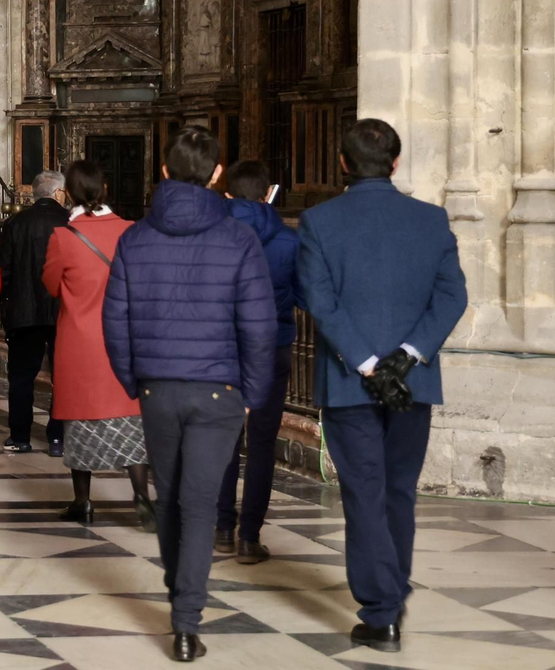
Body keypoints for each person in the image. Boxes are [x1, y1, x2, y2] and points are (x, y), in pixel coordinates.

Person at [102, 125, 276, 663]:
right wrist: (252, 389)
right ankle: (185, 622)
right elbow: (260, 325)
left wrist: (135, 379)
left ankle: (181, 605)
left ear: (163, 170)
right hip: (221, 390)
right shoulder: (240, 238)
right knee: (199, 503)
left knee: (171, 498)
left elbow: (115, 320)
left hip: (158, 388)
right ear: (217, 174)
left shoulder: (135, 237)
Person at [298, 119, 468, 655]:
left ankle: (382, 612)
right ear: (395, 163)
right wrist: (406, 356)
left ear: (342, 163)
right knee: (399, 491)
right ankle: (391, 596)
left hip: (350, 382)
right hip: (411, 382)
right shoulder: (432, 220)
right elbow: (452, 298)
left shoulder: (319, 221)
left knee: (364, 494)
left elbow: (318, 300)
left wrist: (368, 360)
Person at [42, 161, 154, 530]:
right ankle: (141, 497)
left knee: (80, 421)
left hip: (79, 343)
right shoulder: (130, 231)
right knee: (130, 417)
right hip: (124, 336)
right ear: (105, 188)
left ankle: (82, 501)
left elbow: (51, 285)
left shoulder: (64, 236)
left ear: (69, 194)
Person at [215, 159, 301, 564]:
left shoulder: (215, 238)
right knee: (263, 444)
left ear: (227, 194)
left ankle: (221, 529)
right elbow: (303, 294)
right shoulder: (288, 241)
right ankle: (249, 537)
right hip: (272, 346)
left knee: (225, 441)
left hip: (224, 349)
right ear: (268, 193)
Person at [0, 170, 71, 454]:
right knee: (62, 377)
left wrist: (7, 301)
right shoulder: (69, 222)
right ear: (58, 193)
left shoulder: (15, 222)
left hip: (23, 312)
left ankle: (19, 436)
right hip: (61, 312)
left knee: (20, 378)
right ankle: (57, 438)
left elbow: (3, 270)